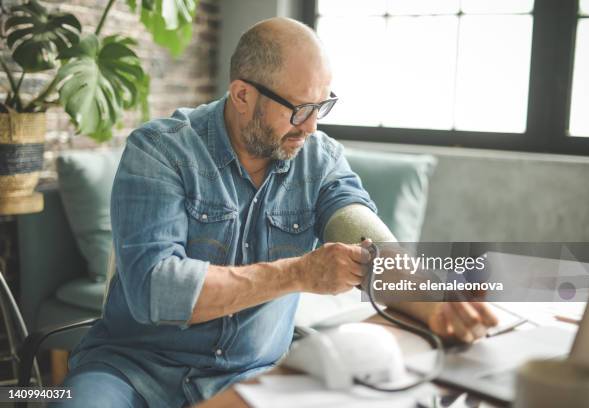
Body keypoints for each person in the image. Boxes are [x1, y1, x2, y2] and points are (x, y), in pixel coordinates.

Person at [53, 17, 498, 408]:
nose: (312, 126)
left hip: (252, 377)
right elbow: (156, 291)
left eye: (322, 106)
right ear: (242, 95)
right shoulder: (160, 151)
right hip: (131, 370)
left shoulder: (319, 158)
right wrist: (298, 273)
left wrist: (434, 300)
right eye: (300, 109)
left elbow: (369, 239)